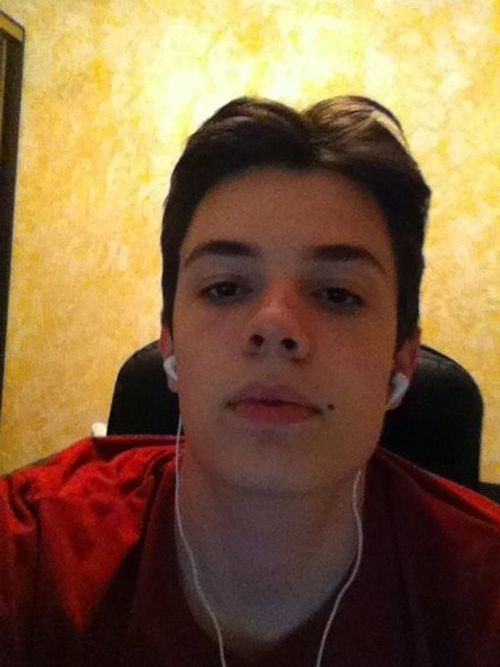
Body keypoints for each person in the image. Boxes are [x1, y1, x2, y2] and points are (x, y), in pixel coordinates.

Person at [0, 95, 498, 667]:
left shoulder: (484, 592)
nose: (275, 325)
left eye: (338, 294)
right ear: (169, 343)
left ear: (402, 359)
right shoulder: (33, 553)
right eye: (225, 288)